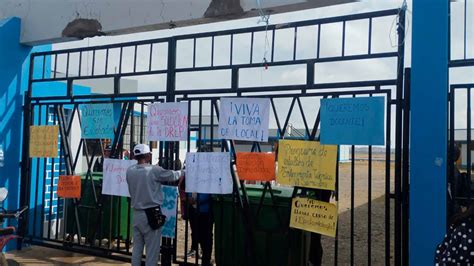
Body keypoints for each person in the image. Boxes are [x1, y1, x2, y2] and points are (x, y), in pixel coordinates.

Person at [126, 144, 184, 266]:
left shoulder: (129, 171)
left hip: (136, 213)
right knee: (152, 251)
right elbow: (172, 175)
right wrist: (183, 171)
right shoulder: (153, 170)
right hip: (151, 214)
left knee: (137, 249)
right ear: (147, 155)